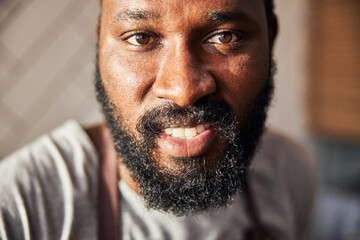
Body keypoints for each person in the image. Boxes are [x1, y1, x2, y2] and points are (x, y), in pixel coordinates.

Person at [0, 0, 316, 239]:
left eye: (225, 37)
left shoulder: (289, 172)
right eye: (140, 38)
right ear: (100, 45)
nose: (184, 90)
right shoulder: (21, 209)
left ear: (270, 39)